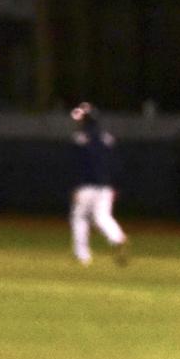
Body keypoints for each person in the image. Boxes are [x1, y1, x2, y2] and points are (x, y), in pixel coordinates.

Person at [68, 102, 128, 267]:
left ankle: (83, 256)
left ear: (85, 120)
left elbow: (76, 164)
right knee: (102, 217)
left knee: (79, 218)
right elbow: (116, 165)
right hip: (106, 186)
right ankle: (117, 237)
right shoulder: (108, 139)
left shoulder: (80, 138)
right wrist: (115, 185)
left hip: (86, 186)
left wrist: (75, 185)